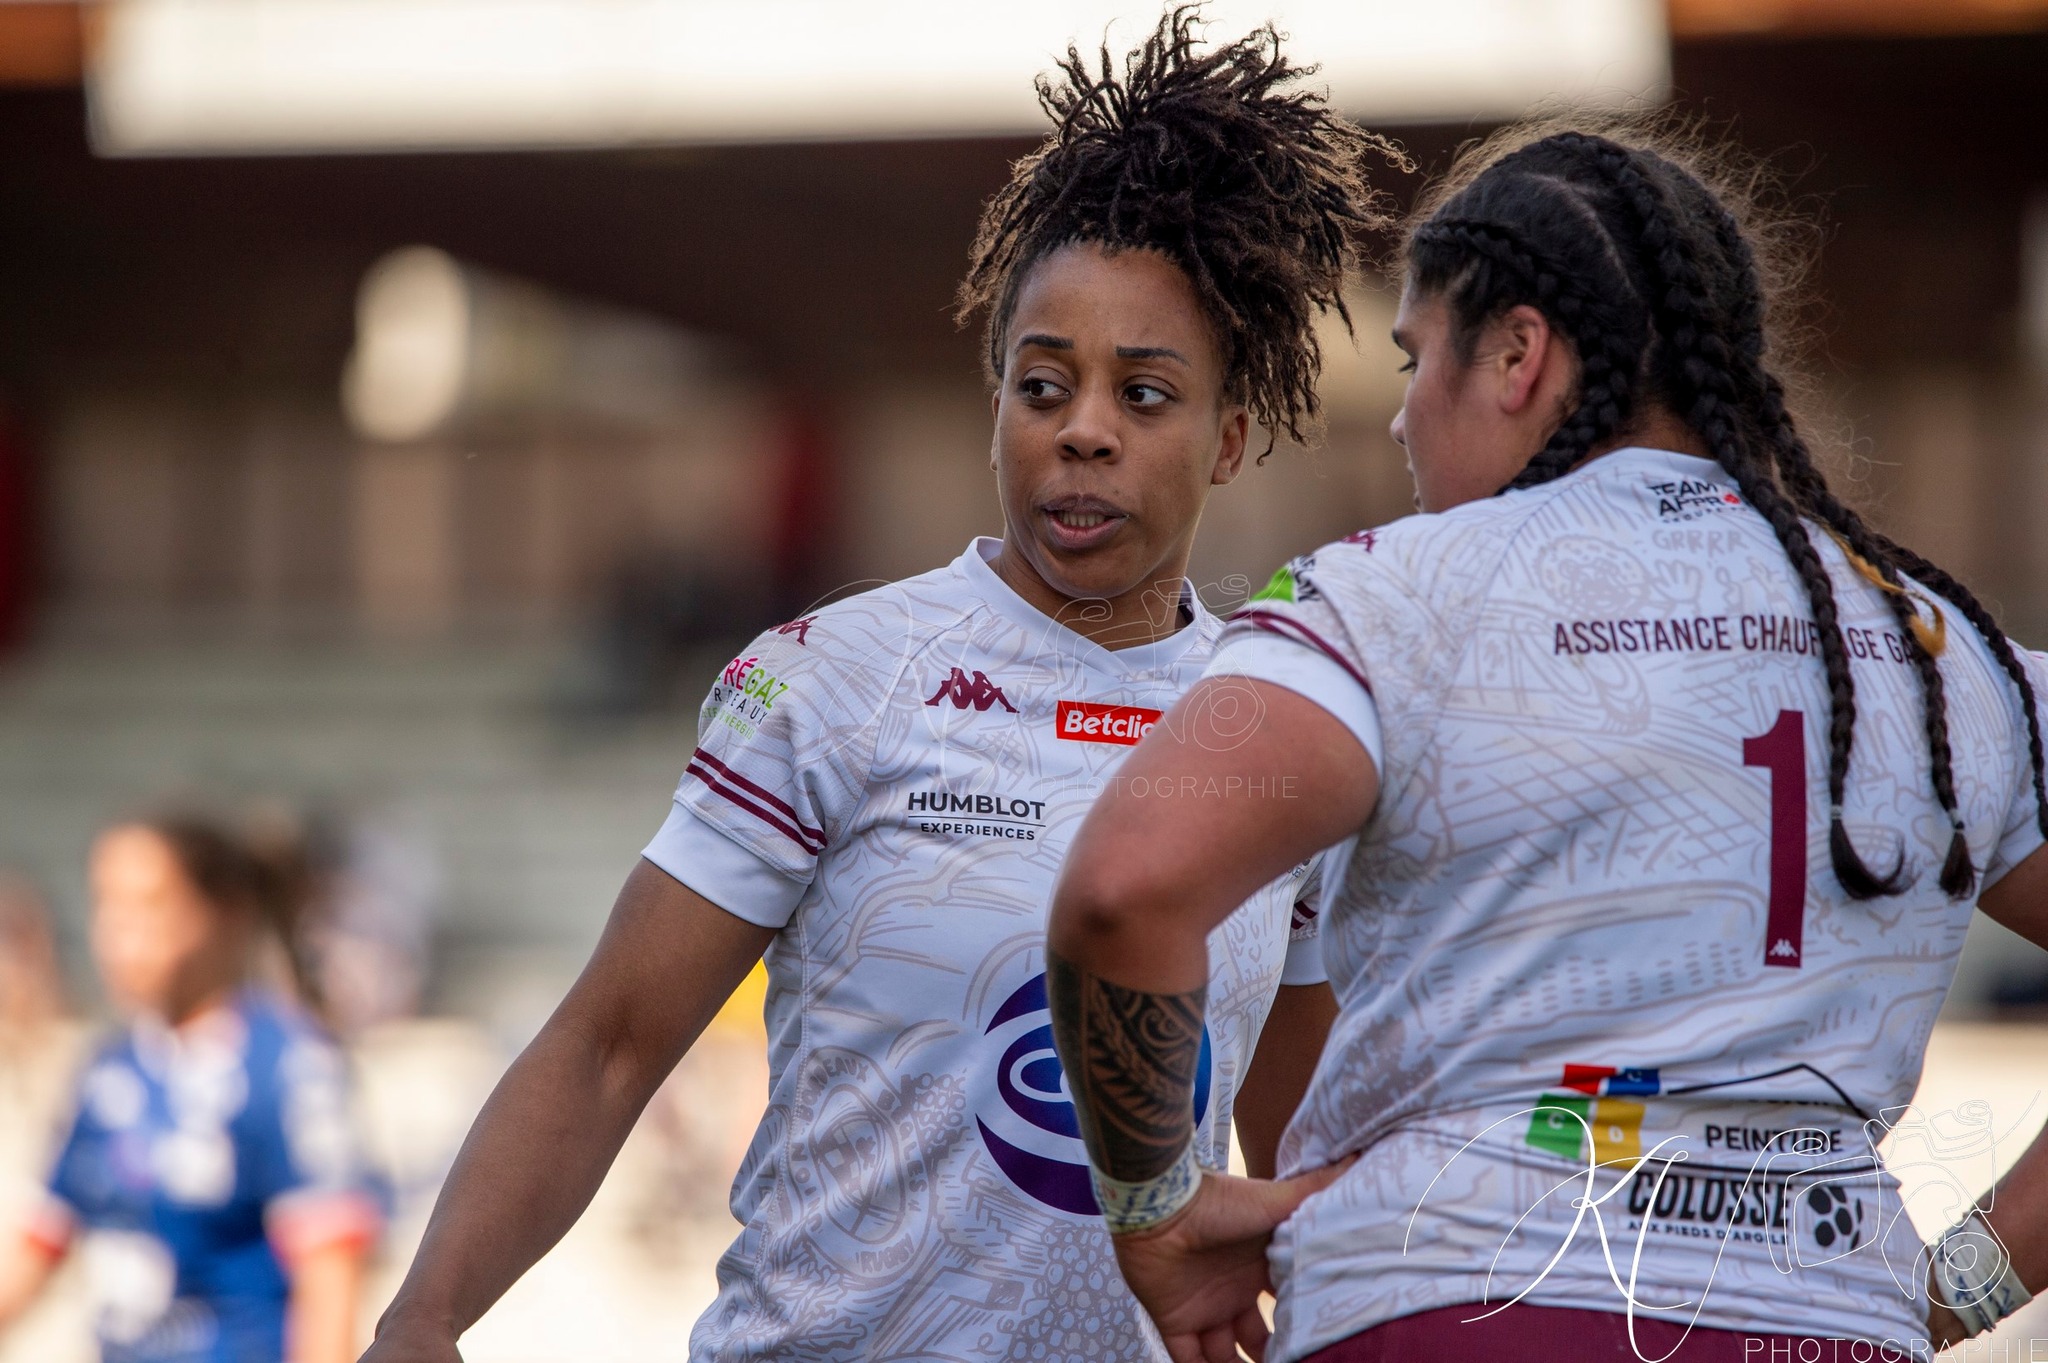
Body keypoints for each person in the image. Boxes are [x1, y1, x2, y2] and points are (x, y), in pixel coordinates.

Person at [359, 11, 1398, 1362]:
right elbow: (610, 1041)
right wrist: (423, 1319)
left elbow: (1308, 1139)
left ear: (1233, 437)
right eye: (1044, 384)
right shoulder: (830, 682)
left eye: (1145, 394)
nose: (1083, 426)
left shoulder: (1283, 733)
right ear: (995, 408)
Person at [1044, 121, 2048, 1363]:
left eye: (1417, 360)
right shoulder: (1944, 651)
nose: (1404, 419)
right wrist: (1963, 1280)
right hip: (1827, 1323)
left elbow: (1119, 896)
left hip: (1447, 1304)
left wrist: (1155, 1214)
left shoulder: (1391, 594)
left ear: (1516, 353)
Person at [0, 816, 382, 1363]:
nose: (118, 933)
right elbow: (36, 1249)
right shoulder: (110, 1071)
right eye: (105, 904)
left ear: (222, 914)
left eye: (149, 906)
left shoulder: (288, 1070)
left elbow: (329, 1288)